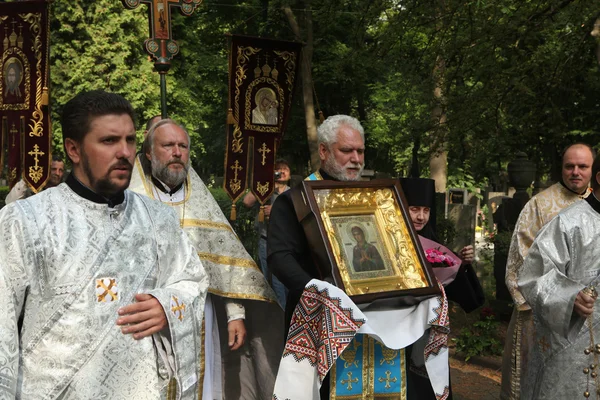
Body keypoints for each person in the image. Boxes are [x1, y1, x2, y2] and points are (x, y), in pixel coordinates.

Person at [0, 90, 208, 398]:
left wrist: (168, 306)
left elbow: (192, 279)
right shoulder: (24, 220)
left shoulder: (158, 219)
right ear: (73, 149)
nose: (125, 152)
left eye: (130, 140)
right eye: (109, 141)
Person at [269, 115, 449, 400]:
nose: (355, 158)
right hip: (324, 320)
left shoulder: (377, 200)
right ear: (324, 151)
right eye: (346, 151)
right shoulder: (293, 200)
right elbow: (280, 258)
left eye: (360, 151)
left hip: (382, 321)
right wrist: (320, 292)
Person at [129, 118, 283, 400]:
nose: (177, 152)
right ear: (149, 153)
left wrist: (235, 314)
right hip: (145, 315)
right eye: (168, 145)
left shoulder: (201, 202)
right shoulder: (130, 197)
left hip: (200, 312)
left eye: (183, 146)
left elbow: (226, 263)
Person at [501, 143, 595, 399]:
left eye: (582, 166)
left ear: (592, 170)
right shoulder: (540, 205)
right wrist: (555, 302)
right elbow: (522, 264)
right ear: (562, 168)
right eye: (569, 166)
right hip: (545, 316)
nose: (575, 172)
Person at [242, 158, 291, 308]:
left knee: (286, 279)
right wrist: (264, 182)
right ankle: (277, 312)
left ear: (290, 174)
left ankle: (288, 312)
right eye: (278, 169)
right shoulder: (265, 190)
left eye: (285, 169)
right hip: (266, 240)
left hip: (286, 243)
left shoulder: (294, 193)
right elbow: (246, 202)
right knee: (270, 278)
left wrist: (276, 211)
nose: (281, 172)